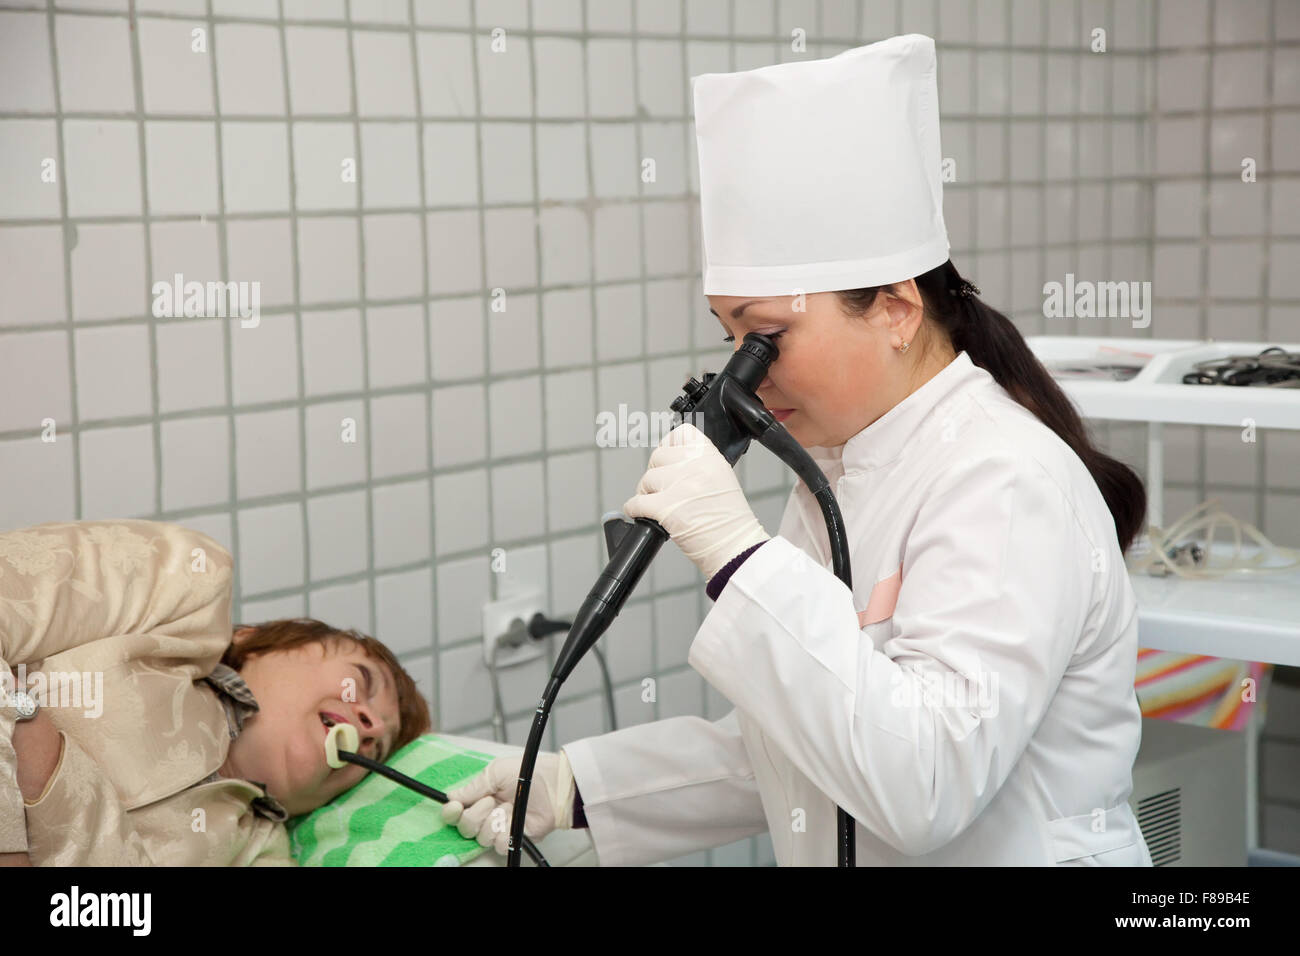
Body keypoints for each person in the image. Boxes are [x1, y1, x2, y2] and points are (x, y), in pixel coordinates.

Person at [441, 34, 1155, 866]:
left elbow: (927, 782)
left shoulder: (1005, 478)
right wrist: (579, 787)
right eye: (730, 336)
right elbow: (808, 739)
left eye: (768, 333)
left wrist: (739, 560)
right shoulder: (842, 473)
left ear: (894, 308)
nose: (746, 369)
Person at [0, 519, 430, 866]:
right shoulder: (187, 580)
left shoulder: (262, 854)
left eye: (377, 752)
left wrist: (41, 754)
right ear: (257, 638)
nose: (370, 726)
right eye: (363, 682)